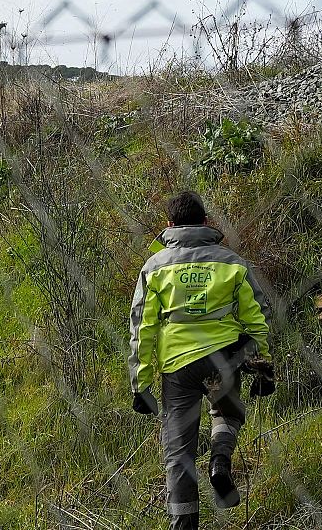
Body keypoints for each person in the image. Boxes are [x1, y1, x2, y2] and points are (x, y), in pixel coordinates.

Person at [129, 191, 275, 529]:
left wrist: (141, 382)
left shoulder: (155, 267)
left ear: (169, 226)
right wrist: (262, 361)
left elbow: (142, 325)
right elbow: (258, 314)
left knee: (179, 450)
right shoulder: (230, 262)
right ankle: (220, 462)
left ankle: (184, 524)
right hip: (223, 355)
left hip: (177, 366)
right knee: (228, 411)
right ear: (206, 222)